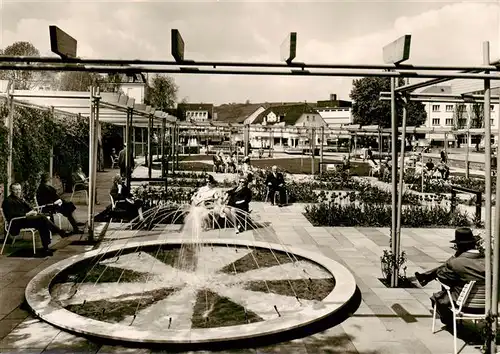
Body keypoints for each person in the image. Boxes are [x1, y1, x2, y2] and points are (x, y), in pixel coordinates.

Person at [414, 227, 485, 326]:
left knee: (438, 298)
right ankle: (425, 277)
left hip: (465, 305)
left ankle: (453, 325)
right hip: (488, 306)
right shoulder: (491, 262)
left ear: (459, 246)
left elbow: (441, 276)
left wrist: (454, 258)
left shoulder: (456, 263)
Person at [2, 183, 69, 256]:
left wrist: (31, 210)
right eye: (16, 190)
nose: (18, 191)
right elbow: (12, 215)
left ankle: (46, 248)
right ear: (11, 190)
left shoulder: (20, 199)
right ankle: (58, 231)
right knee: (42, 218)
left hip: (24, 220)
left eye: (19, 189)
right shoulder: (8, 201)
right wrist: (27, 214)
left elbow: (30, 208)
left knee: (42, 222)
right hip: (16, 223)